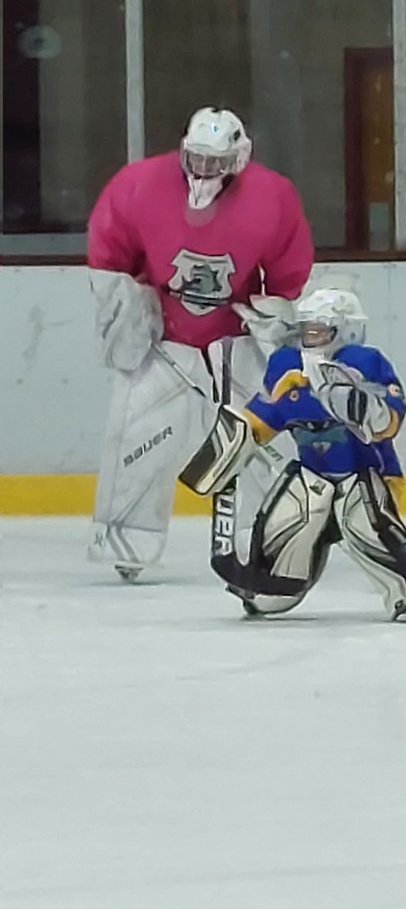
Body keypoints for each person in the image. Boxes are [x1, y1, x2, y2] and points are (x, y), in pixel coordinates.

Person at [87, 106, 314, 580]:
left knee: (256, 437)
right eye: (196, 159)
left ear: (240, 156)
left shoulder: (273, 195)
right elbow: (109, 252)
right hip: (163, 334)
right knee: (136, 433)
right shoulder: (139, 184)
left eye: (216, 162)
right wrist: (128, 303)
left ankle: (268, 533)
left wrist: (275, 310)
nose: (203, 172)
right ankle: (129, 540)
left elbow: (289, 267)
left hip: (235, 333)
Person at [179, 288, 406, 621]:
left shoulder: (365, 363)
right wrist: (226, 451)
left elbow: (390, 419)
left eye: (319, 331)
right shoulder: (288, 367)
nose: (310, 338)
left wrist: (363, 406)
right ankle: (273, 585)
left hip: (365, 472)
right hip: (313, 472)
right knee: (290, 518)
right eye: (306, 330)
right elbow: (261, 419)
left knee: (361, 520)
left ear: (345, 330)